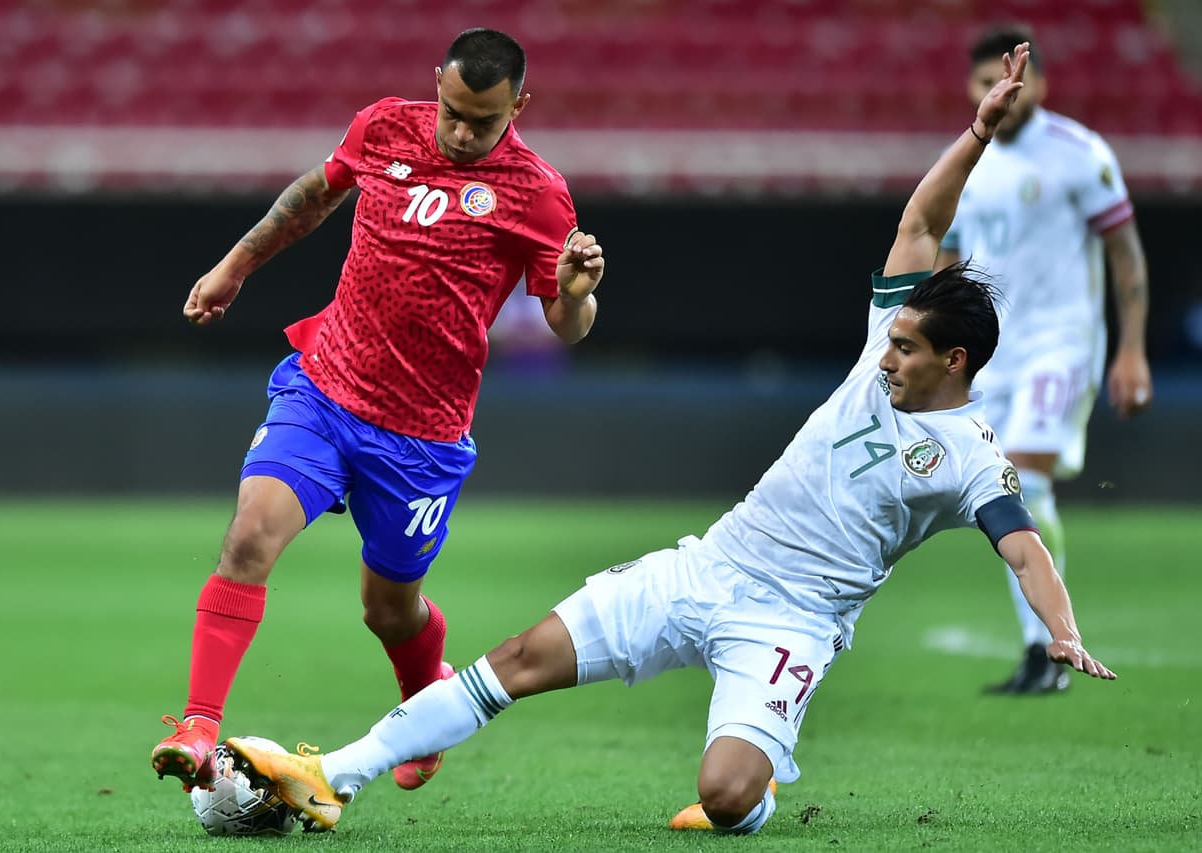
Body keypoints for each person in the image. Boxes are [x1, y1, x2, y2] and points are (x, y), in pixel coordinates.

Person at [224, 43, 1116, 836]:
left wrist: (1061, 629)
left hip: (794, 621)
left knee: (724, 797)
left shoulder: (969, 455)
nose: (886, 353)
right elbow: (920, 224)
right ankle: (331, 774)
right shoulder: (876, 353)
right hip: (707, 566)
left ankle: (757, 798)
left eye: (908, 347)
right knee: (518, 660)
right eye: (891, 335)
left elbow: (1024, 545)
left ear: (953, 361)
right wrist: (978, 133)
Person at [150, 28, 605, 795]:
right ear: (437, 83)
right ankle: (197, 724)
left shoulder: (536, 191)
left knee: (388, 608)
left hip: (422, 437)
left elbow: (566, 325)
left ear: (519, 106)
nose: (461, 132)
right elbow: (311, 200)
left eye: (482, 121)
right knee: (251, 533)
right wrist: (234, 267)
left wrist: (576, 291)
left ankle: (424, 698)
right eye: (452, 110)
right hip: (325, 387)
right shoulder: (384, 125)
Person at [937, 27, 1152, 694]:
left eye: (1006, 77)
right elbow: (947, 257)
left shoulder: (1079, 154)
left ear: (1041, 85)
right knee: (998, 489)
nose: (995, 91)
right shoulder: (965, 161)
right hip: (991, 354)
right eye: (981, 82)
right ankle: (1042, 651)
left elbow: (1125, 252)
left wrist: (1132, 348)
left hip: (1062, 344)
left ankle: (1047, 646)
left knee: (1024, 480)